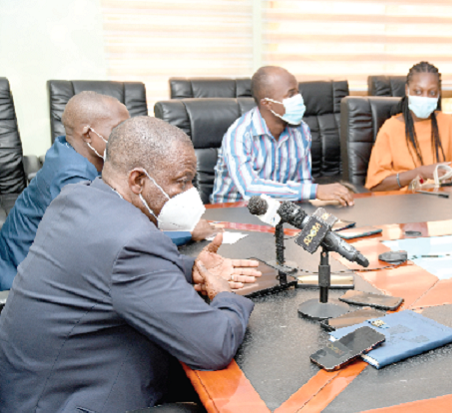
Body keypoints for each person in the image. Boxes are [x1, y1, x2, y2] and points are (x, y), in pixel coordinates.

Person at [0, 116, 261, 412]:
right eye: (182, 181)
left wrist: (193, 270)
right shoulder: (131, 241)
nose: (191, 193)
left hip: (29, 386)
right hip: (62, 402)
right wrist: (226, 295)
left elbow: (111, 271)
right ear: (137, 180)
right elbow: (214, 345)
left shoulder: (76, 197)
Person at [0, 91, 216, 291]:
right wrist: (186, 233)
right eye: (118, 129)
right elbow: (114, 241)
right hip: (21, 279)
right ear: (88, 135)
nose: (127, 137)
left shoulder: (70, 150)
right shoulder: (72, 178)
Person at [210, 65, 354, 206]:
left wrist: (326, 200)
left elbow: (302, 183)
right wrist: (315, 190)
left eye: (298, 92)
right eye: (291, 94)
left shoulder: (301, 130)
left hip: (278, 211)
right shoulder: (239, 134)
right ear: (267, 104)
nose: (299, 98)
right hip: (233, 213)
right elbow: (250, 190)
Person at [365, 62, 452, 191]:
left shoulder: (449, 123)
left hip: (443, 201)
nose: (425, 97)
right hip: (403, 204)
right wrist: (419, 173)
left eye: (431, 92)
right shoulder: (390, 128)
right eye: (418, 91)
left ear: (438, 94)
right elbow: (376, 185)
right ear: (407, 90)